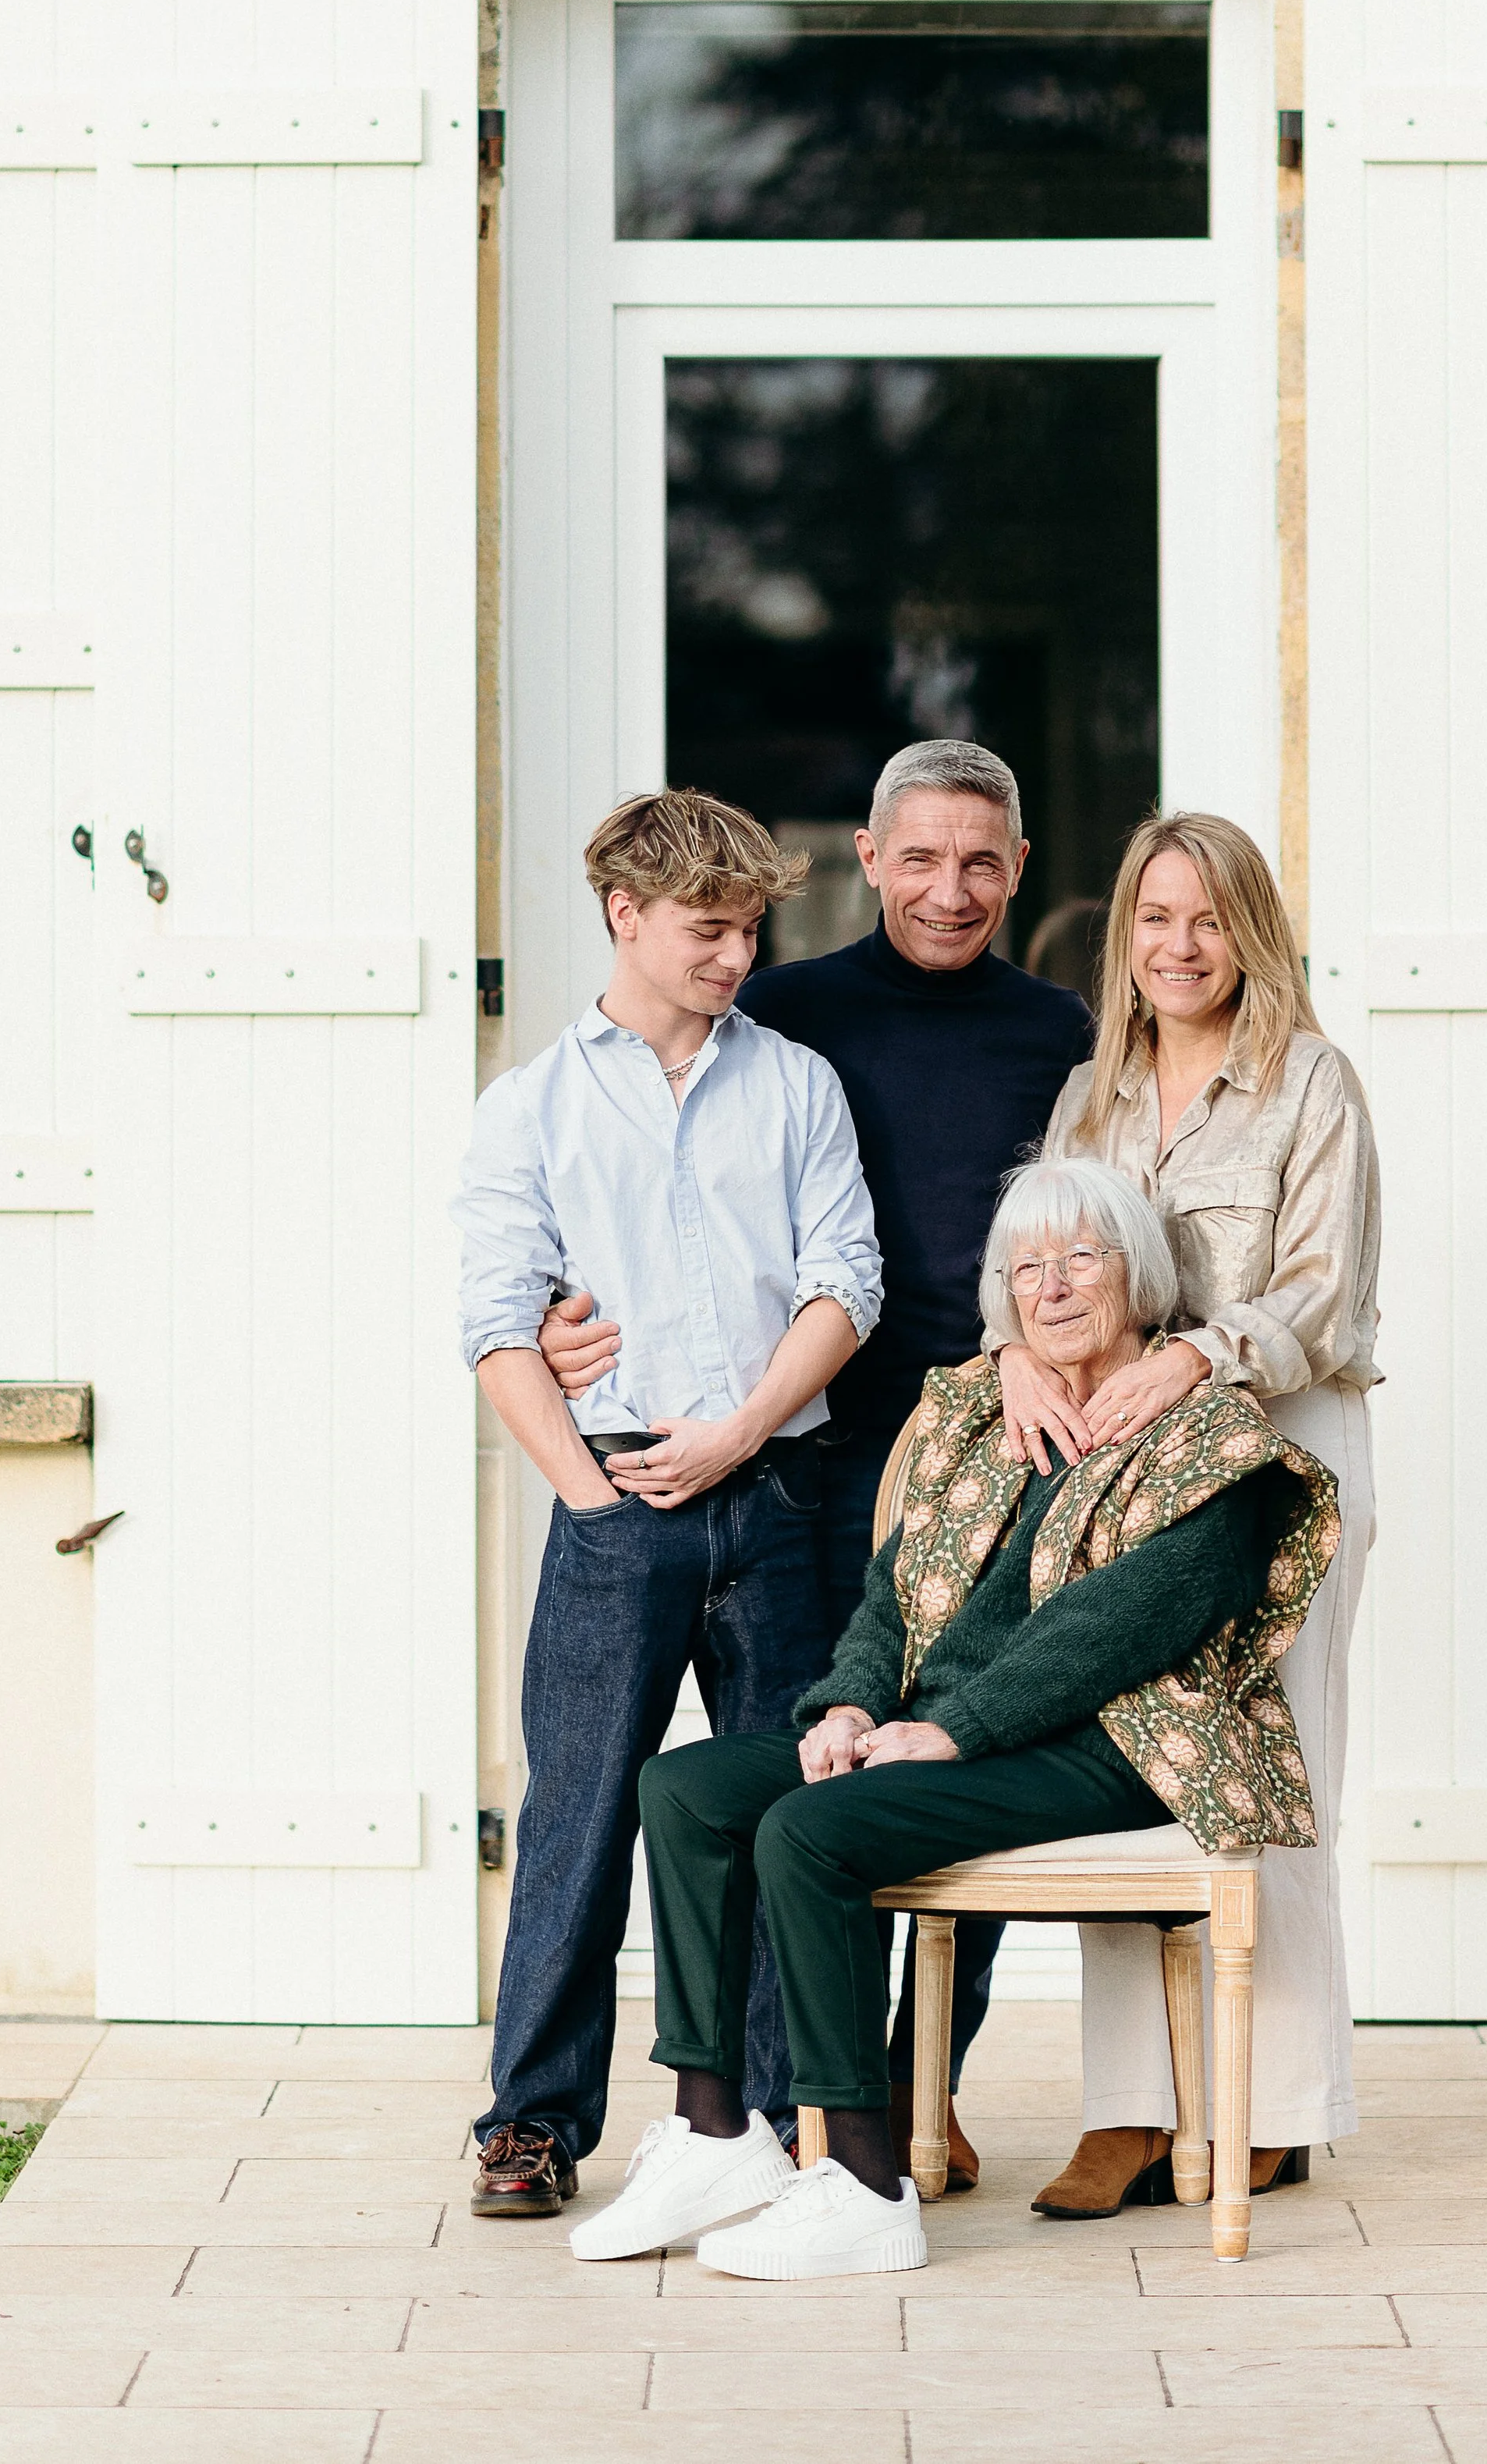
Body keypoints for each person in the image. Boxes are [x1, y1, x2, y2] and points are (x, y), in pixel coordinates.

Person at [565, 1156, 1339, 2278]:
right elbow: (894, 1591)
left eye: (1081, 1258)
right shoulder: (978, 1414)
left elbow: (1117, 1630)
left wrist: (953, 1729)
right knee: (686, 1788)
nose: (1052, 1287)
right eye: (1027, 1268)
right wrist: (848, 1703)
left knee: (812, 1832)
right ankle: (712, 2132)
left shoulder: (1213, 1437)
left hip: (1119, 1742)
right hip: (948, 1729)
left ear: (1140, 1274)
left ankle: (862, 2182)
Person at [540, 739, 1091, 2182]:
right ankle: (793, 2102)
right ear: (868, 857)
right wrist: (554, 1313)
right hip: (818, 1463)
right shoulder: (781, 1015)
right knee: (810, 1775)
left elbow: (1092, 1229)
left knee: (959, 1767)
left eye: (982, 861)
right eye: (921, 858)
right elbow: (651, 1189)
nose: (950, 889)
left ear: (1020, 870)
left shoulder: (1066, 1033)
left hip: (1000, 1455)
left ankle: (923, 2087)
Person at [455, 789, 882, 2218]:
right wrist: (593, 1500)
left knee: (785, 1813)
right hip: (618, 1499)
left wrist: (743, 1432)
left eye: (751, 928)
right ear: (625, 914)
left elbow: (848, 1282)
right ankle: (532, 2122)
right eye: (710, 927)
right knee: (578, 1818)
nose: (737, 955)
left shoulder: (798, 1085)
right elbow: (498, 1325)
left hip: (778, 1491)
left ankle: (771, 2115)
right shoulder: (531, 1106)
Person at [995, 811, 1380, 2221]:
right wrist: (1018, 1351)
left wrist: (1197, 1355)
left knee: (1273, 1769)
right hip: (1126, 1468)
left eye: (1210, 918)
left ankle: (1271, 2107)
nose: (1181, 944)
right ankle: (1131, 2111)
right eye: (1156, 917)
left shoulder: (1311, 1084)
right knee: (1122, 1764)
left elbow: (1324, 1292)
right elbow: (1037, 1250)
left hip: (1279, 1455)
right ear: (1126, 935)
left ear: (1252, 933)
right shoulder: (1090, 1095)